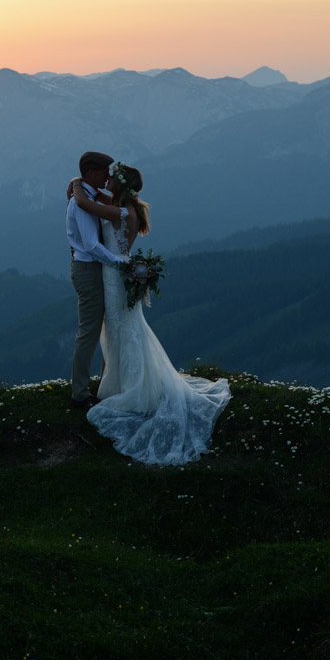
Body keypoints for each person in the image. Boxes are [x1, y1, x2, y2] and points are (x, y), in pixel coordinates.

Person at [68, 162, 230, 465]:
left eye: (112, 177)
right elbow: (97, 199)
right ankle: (119, 382)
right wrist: (85, 187)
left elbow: (85, 203)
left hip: (114, 274)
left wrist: (77, 182)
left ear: (120, 184)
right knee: (121, 328)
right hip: (115, 274)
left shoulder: (120, 211)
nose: (107, 180)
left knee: (122, 328)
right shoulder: (123, 207)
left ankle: (132, 388)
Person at [66, 151, 124, 407]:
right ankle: (79, 393)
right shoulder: (80, 202)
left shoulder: (89, 196)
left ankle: (103, 384)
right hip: (88, 270)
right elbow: (90, 244)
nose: (108, 176)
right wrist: (120, 263)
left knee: (103, 328)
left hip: (96, 268)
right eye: (104, 172)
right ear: (90, 173)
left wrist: (76, 183)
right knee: (89, 331)